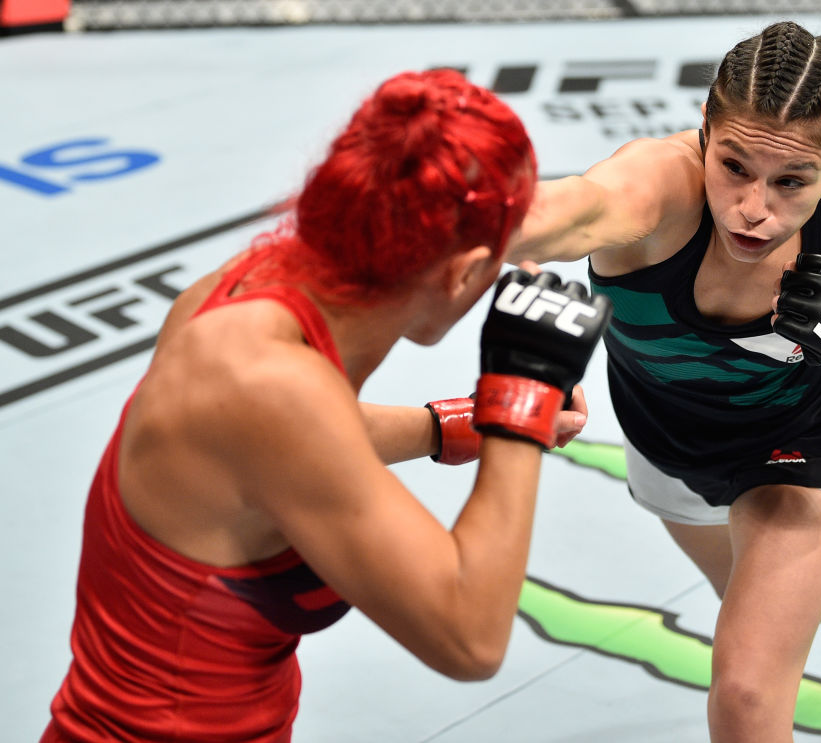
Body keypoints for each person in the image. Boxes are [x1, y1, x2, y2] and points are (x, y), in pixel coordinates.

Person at [41, 68, 611, 743]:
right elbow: (471, 638)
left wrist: (458, 423)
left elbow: (295, 448)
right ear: (464, 272)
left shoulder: (253, 296)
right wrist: (522, 395)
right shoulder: (271, 389)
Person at [505, 20, 821, 743]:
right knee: (764, 593)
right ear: (704, 124)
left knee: (745, 693)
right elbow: (544, 218)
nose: (755, 208)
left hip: (805, 440)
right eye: (734, 165)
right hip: (667, 441)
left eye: (793, 181)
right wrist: (530, 332)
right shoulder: (654, 185)